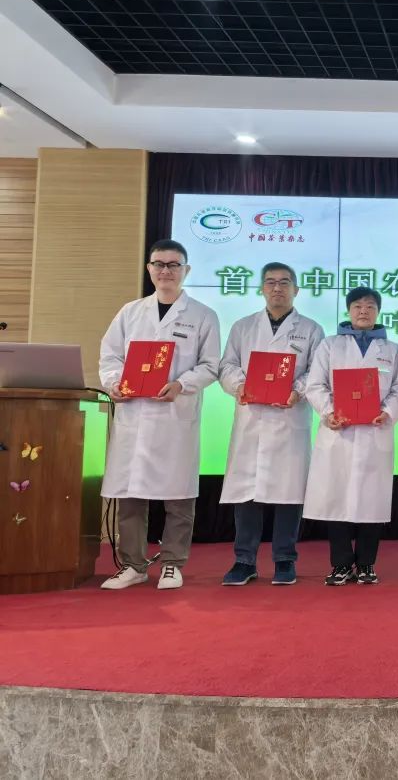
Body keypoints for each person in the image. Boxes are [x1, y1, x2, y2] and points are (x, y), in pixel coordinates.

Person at [98, 239, 221, 590]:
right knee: (130, 494)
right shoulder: (130, 312)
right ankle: (133, 565)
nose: (166, 271)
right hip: (134, 416)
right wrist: (114, 383)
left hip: (174, 417)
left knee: (178, 494)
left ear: (186, 270)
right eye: (159, 264)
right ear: (149, 269)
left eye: (173, 264)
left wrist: (182, 384)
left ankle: (172, 563)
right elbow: (110, 356)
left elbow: (211, 365)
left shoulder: (203, 315)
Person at [218, 262, 326, 587]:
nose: (277, 288)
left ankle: (284, 559)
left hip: (289, 419)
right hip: (251, 418)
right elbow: (227, 366)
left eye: (284, 282)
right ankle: (244, 560)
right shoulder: (243, 327)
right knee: (246, 492)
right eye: (270, 282)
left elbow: (317, 371)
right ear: (262, 288)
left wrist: (298, 390)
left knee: (289, 493)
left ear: (296, 289)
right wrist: (239, 386)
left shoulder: (312, 330)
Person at [302, 286, 398, 586]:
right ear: (348, 311)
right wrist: (328, 412)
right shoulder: (330, 345)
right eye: (358, 306)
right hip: (340, 432)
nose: (364, 311)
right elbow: (315, 385)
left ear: (378, 312)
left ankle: (366, 563)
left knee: (371, 501)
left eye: (370, 306)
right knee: (336, 499)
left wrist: (388, 412)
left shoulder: (392, 350)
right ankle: (340, 564)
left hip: (375, 432)